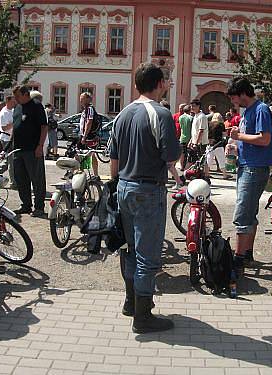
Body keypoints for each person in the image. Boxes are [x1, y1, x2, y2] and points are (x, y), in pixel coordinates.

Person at [110, 63, 180, 333]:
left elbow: (114, 159)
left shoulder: (123, 113)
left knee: (129, 249)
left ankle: (130, 302)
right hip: (148, 189)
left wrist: (115, 187)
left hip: (124, 186)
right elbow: (170, 155)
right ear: (160, 83)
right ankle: (143, 316)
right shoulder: (160, 113)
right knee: (147, 255)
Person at [227, 77, 272, 276]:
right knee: (249, 213)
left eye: (233, 97)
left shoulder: (261, 109)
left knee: (242, 214)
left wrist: (239, 137)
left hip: (254, 168)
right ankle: (246, 254)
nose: (233, 102)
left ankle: (238, 260)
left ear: (242, 93)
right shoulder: (248, 111)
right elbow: (253, 139)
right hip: (248, 165)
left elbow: (265, 139)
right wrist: (237, 145)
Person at [12, 85, 48, 217]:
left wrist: (40, 146)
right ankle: (26, 205)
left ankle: (39, 207)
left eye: (18, 96)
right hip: (18, 149)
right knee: (21, 179)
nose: (16, 99)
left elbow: (44, 127)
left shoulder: (36, 106)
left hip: (33, 150)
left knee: (37, 179)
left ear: (26, 94)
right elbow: (15, 128)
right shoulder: (17, 107)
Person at [161, 100, 184, 190]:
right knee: (168, 165)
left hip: (170, 144)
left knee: (169, 165)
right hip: (173, 143)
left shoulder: (166, 117)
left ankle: (179, 182)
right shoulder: (170, 117)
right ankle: (175, 181)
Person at [79, 92, 100, 176]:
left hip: (88, 136)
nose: (80, 100)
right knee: (90, 154)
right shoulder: (86, 109)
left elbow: (89, 122)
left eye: (82, 98)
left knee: (84, 155)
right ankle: (94, 175)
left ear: (88, 99)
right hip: (87, 136)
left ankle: (85, 175)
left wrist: (84, 136)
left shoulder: (89, 109)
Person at [0, 95, 16, 187]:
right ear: (7, 101)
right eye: (13, 101)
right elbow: (5, 128)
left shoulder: (12, 111)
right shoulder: (4, 113)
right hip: (6, 139)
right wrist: (15, 123)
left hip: (12, 138)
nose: (14, 103)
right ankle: (13, 183)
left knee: (7, 161)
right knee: (11, 161)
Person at [207, 112, 231, 179]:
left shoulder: (209, 123)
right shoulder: (221, 124)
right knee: (221, 160)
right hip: (218, 144)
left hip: (210, 144)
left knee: (209, 160)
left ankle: (206, 173)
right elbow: (224, 134)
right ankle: (224, 175)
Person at [189, 99, 209, 173]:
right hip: (195, 142)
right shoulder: (195, 116)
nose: (192, 108)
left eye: (193, 106)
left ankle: (206, 175)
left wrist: (196, 143)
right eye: (191, 106)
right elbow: (195, 131)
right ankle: (198, 173)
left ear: (198, 106)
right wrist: (191, 141)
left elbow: (201, 131)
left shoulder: (202, 116)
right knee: (197, 160)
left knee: (202, 159)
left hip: (201, 143)